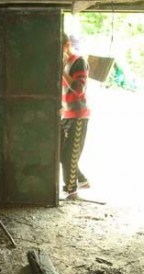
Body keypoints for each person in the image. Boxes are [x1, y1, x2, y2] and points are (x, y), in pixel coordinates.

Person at [60, 33, 91, 200]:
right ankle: (82, 180)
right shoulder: (63, 62)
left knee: (70, 155)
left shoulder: (79, 61)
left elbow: (79, 89)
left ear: (67, 45)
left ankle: (72, 191)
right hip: (66, 113)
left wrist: (62, 72)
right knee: (61, 153)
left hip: (78, 114)